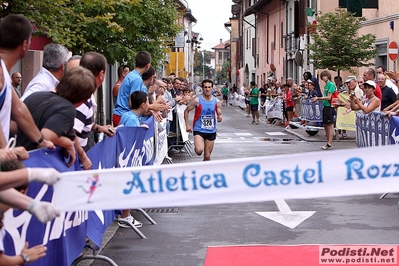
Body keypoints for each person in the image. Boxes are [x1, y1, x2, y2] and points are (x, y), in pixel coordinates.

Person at [16, 66, 97, 167]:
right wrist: (67, 143)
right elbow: (46, 135)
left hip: (18, 161)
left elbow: (70, 135)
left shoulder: (36, 96)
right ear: (83, 98)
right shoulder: (67, 109)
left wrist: (83, 157)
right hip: (37, 166)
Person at [0, 14, 54, 150]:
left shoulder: (4, 73)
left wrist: (40, 141)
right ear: (25, 44)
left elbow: (19, 108)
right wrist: (5, 151)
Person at [116, 91, 149, 228]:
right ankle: (125, 216)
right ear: (142, 105)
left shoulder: (129, 116)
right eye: (147, 102)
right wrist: (140, 129)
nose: (149, 105)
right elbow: (130, 138)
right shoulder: (131, 119)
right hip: (127, 160)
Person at [113, 51, 166, 126]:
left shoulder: (132, 75)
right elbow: (133, 103)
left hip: (122, 114)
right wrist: (152, 106)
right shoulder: (136, 79)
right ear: (148, 65)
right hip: (125, 115)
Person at [184, 79, 222, 161]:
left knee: (207, 156)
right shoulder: (197, 101)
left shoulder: (217, 102)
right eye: (205, 87)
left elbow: (219, 114)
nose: (207, 89)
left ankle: (206, 172)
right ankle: (197, 147)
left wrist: (219, 117)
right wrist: (187, 124)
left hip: (211, 131)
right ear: (202, 88)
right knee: (199, 151)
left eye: (209, 87)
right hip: (199, 129)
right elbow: (186, 111)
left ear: (212, 88)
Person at [312, 70, 336, 150]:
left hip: (329, 106)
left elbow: (329, 97)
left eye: (324, 76)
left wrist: (318, 98)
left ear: (327, 76)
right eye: (322, 77)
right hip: (325, 105)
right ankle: (328, 142)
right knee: (325, 124)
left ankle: (330, 143)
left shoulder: (331, 85)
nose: (323, 78)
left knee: (330, 125)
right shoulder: (326, 85)